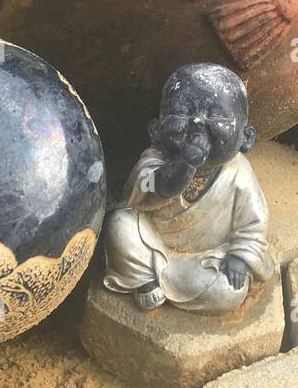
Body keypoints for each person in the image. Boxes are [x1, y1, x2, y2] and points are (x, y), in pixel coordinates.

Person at [102, 63, 274, 314]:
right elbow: (148, 190)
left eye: (215, 115)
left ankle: (176, 283)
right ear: (155, 130)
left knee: (229, 291)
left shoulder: (239, 174)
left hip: (206, 260)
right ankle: (144, 280)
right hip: (152, 245)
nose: (196, 121)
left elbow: (252, 224)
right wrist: (183, 164)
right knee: (119, 225)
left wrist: (239, 257)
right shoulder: (154, 159)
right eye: (182, 112)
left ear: (245, 137)